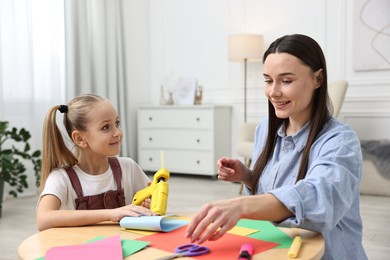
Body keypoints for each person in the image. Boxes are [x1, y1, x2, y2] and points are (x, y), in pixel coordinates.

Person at [185, 34, 367, 259]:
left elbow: (318, 199)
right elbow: (275, 197)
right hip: (278, 250)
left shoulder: (340, 141)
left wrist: (240, 205)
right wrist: (249, 177)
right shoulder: (265, 129)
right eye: (268, 80)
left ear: (318, 79)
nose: (273, 92)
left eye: (286, 81)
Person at [36, 94, 155, 231]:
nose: (117, 133)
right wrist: (111, 214)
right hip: (81, 249)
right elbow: (43, 219)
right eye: (105, 127)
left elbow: (149, 204)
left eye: (116, 123)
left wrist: (148, 206)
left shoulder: (129, 167)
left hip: (124, 247)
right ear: (79, 138)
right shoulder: (61, 178)